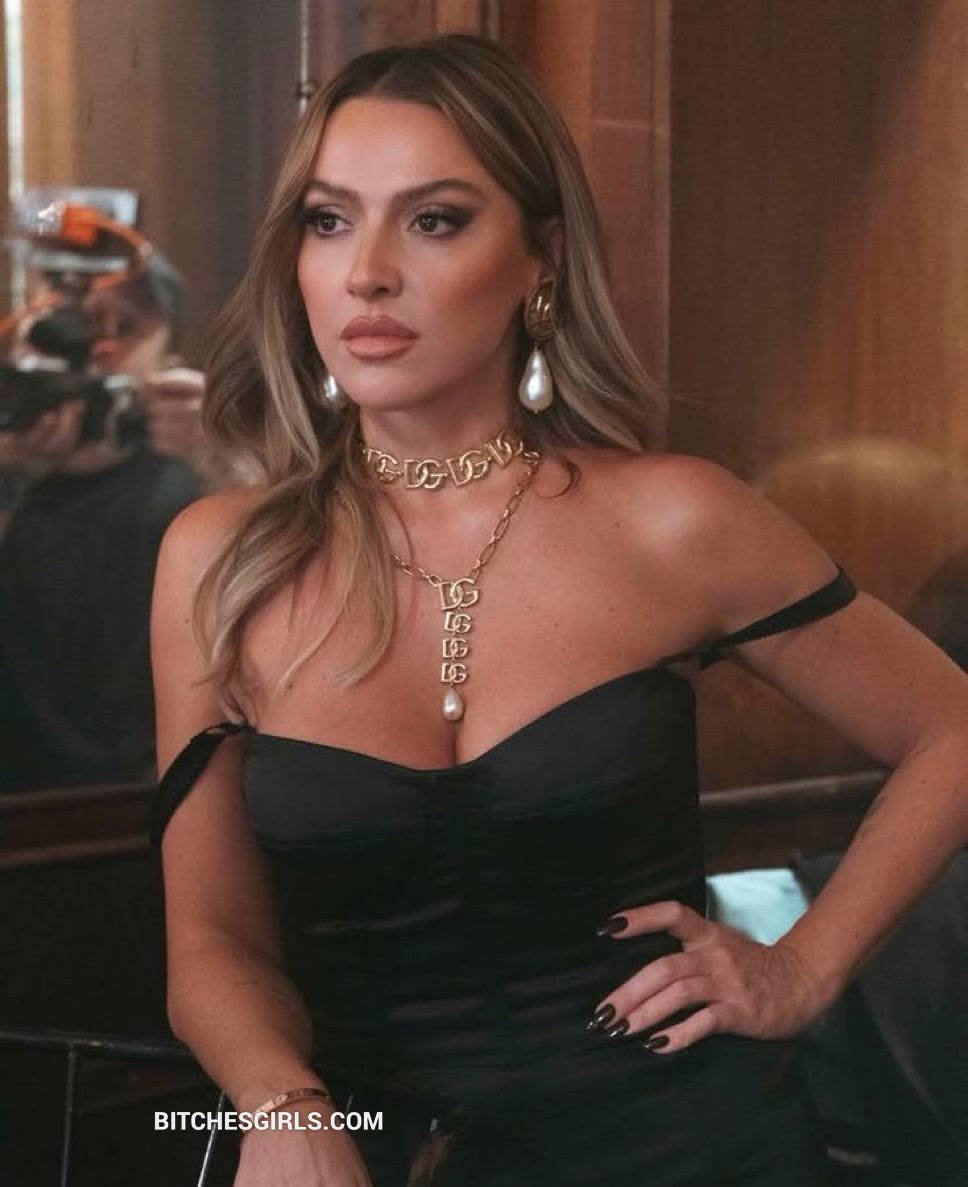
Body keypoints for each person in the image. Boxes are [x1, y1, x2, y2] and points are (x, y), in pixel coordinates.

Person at [148, 33, 968, 1187]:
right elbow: (211, 940)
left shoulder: (673, 519)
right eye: (328, 220)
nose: (366, 272)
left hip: (698, 1148)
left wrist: (800, 966)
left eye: (433, 220)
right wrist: (280, 1103)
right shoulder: (219, 559)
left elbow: (951, 727)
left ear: (540, 257)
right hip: (377, 1154)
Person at [0, 253, 212, 791]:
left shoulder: (187, 496)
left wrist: (226, 462)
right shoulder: (12, 485)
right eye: (79, 321)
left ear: (169, 360)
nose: (97, 346)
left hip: (120, 804)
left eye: (125, 327)